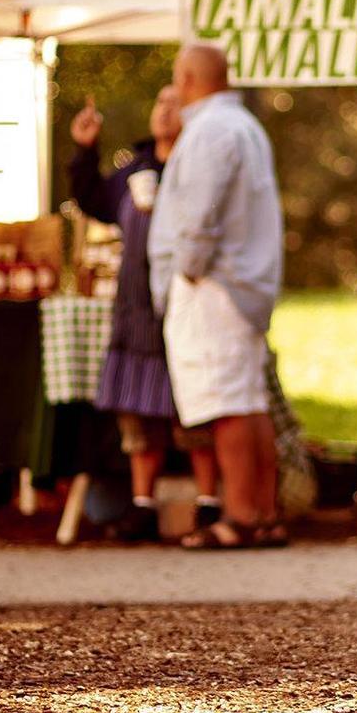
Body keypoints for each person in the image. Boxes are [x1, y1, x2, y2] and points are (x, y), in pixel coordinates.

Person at [147, 44, 287, 549]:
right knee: (247, 400)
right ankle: (264, 513)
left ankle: (240, 516)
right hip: (240, 280)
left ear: (186, 78)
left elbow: (199, 212)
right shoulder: (243, 125)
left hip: (215, 283)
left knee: (227, 403)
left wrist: (185, 270)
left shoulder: (210, 130)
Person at [68, 86, 223, 543]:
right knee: (138, 414)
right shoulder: (134, 168)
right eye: (159, 102)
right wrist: (84, 148)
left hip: (184, 309)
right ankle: (141, 507)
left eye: (176, 104)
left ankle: (210, 505)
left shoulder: (197, 168)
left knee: (194, 413)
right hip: (135, 311)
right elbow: (92, 201)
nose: (165, 110)